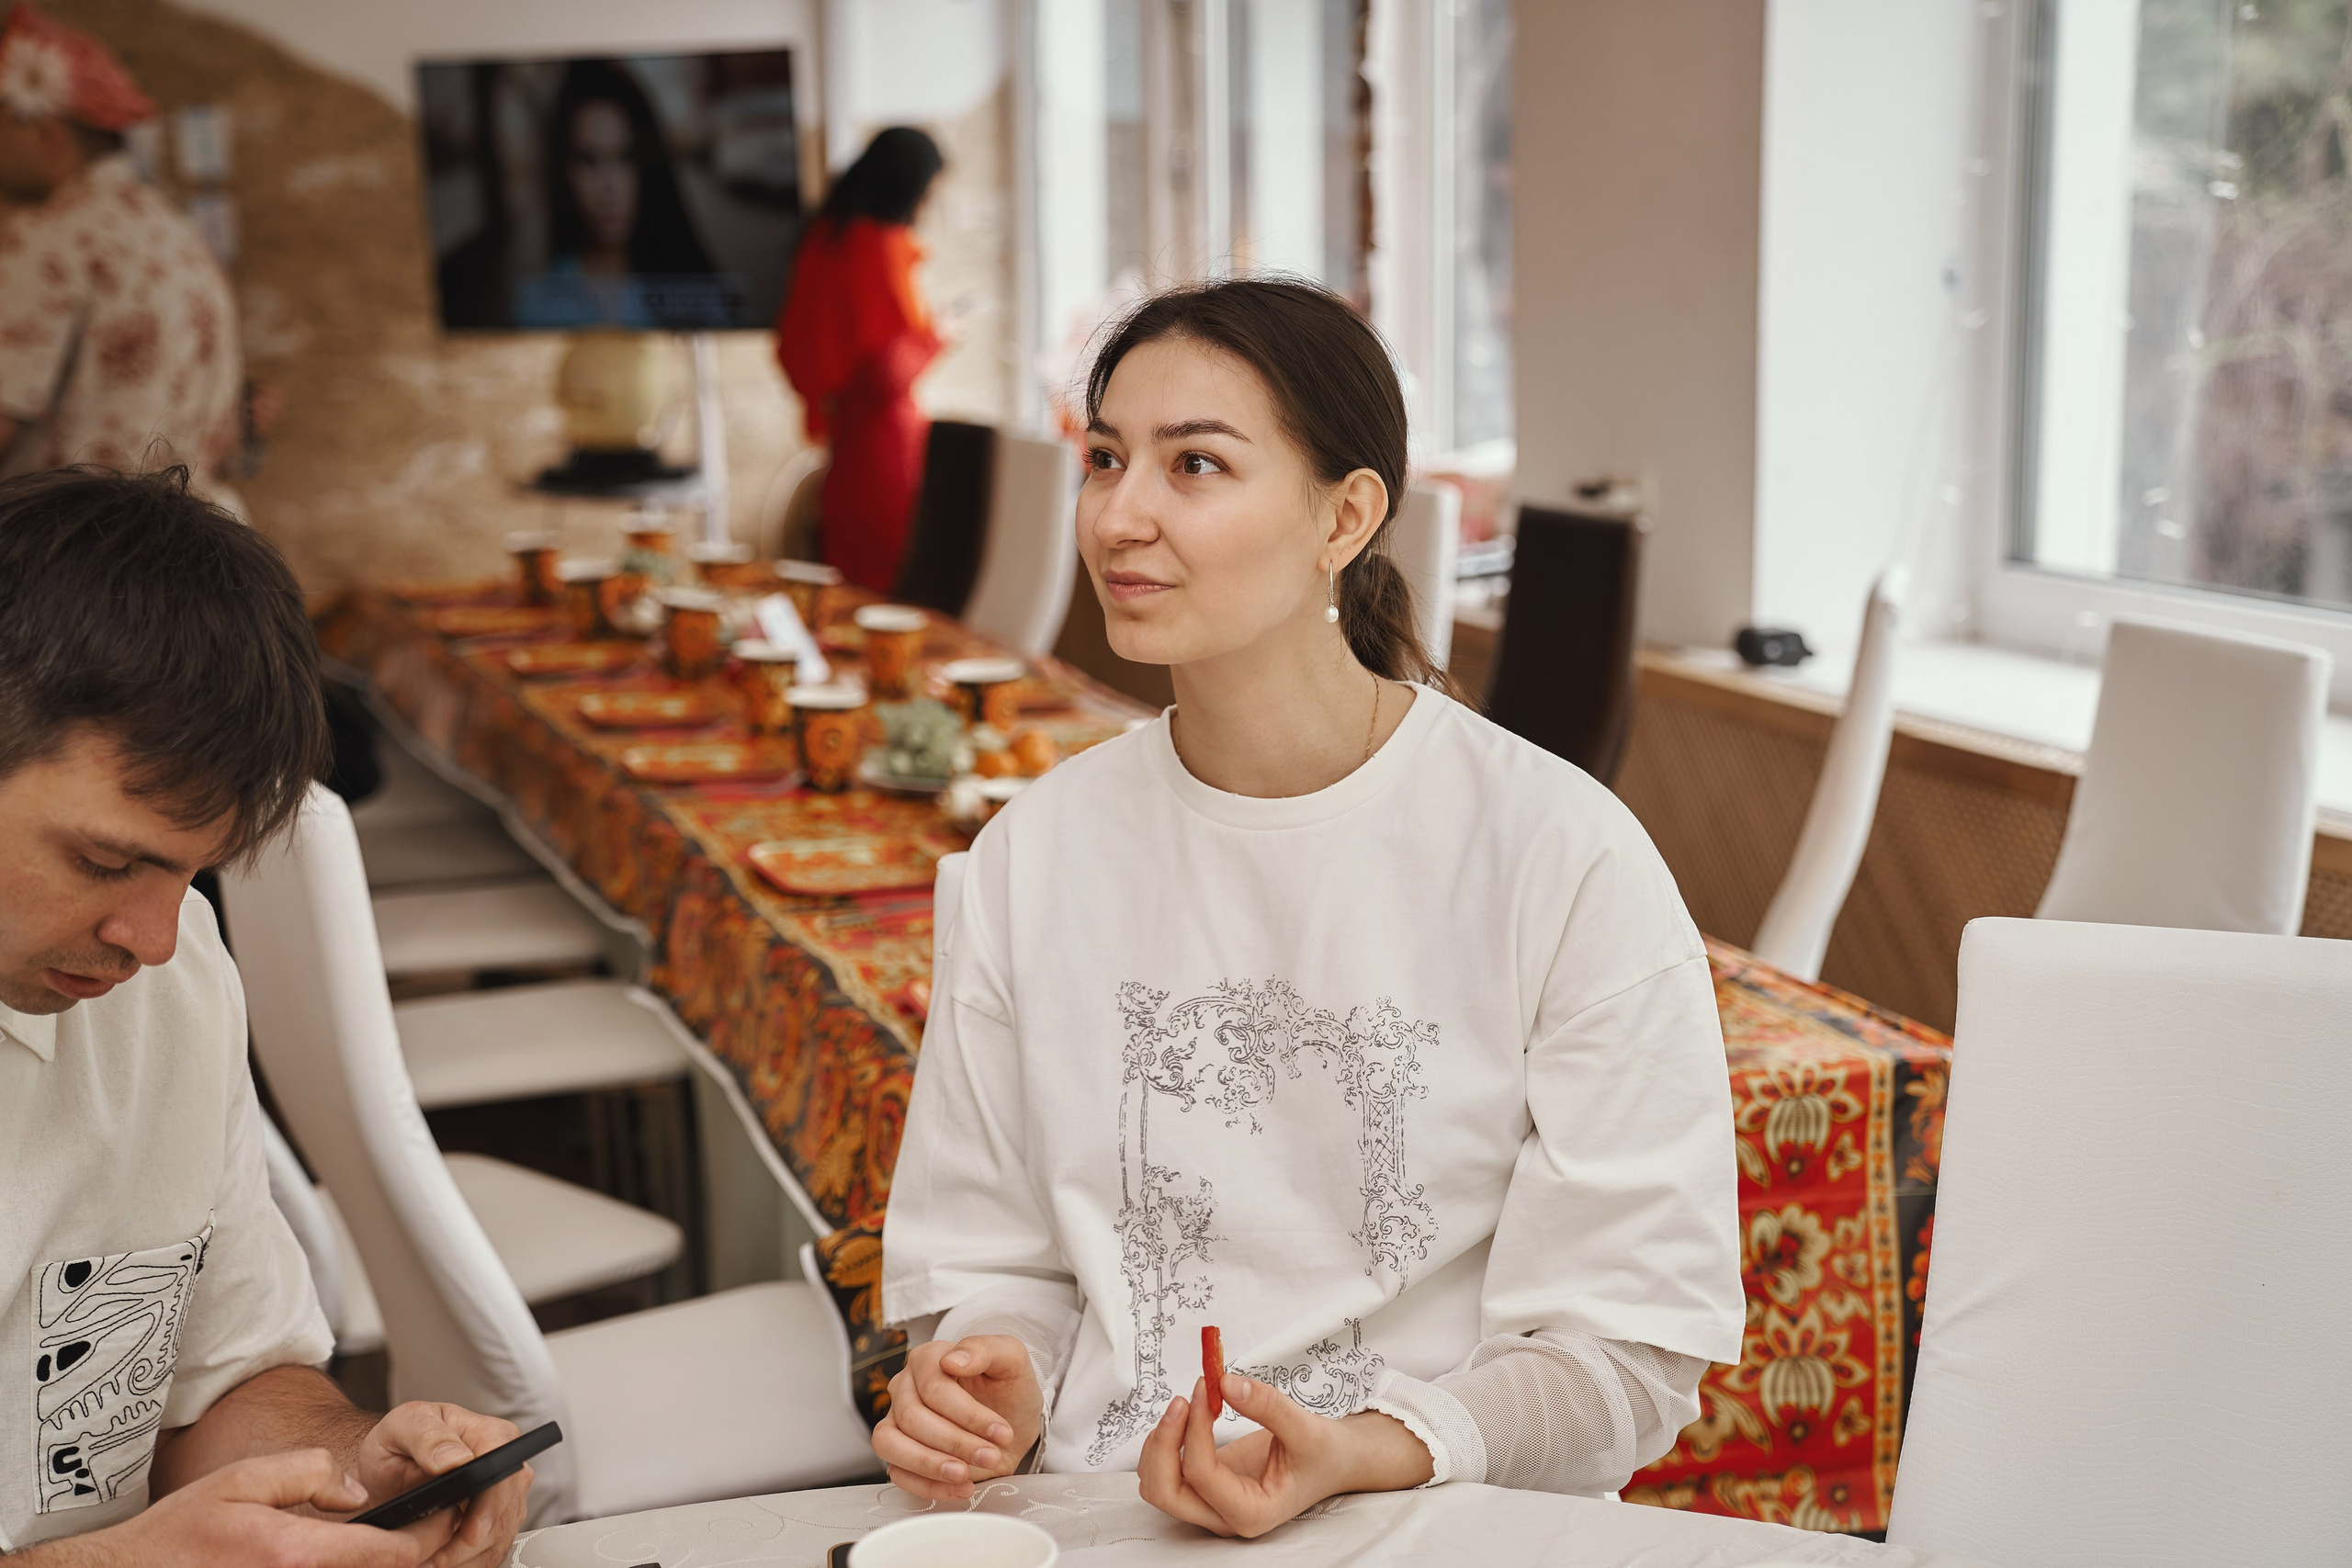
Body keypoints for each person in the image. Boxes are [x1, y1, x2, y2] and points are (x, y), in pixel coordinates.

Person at [875, 279, 1744, 1538]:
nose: (1122, 514)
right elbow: (1000, 1257)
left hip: (1437, 1520)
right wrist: (997, 1371)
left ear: (1346, 515)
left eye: (1197, 465)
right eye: (1108, 457)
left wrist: (1371, 1447)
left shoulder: (1558, 853)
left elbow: (1627, 1352)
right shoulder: (1033, 854)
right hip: (1100, 1515)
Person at [0, 465, 533, 1565]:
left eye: (195, 874)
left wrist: (350, 1471)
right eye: (107, 861)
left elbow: (225, 1376)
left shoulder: (175, 974)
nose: (155, 938)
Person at [0, 6, 244, 510]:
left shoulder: (49, 237)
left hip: (68, 562)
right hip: (191, 551)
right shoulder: (176, 235)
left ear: (47, 132)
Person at [775, 127, 944, 592]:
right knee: (887, 579)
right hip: (884, 443)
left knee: (849, 573)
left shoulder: (824, 239)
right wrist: (939, 336)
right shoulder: (880, 248)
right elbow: (888, 372)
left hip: (843, 439)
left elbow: (794, 347)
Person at [514, 58, 720, 329]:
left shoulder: (699, 295)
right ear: (563, 172)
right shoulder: (536, 308)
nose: (609, 186)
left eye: (625, 158)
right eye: (589, 160)